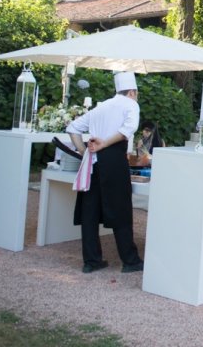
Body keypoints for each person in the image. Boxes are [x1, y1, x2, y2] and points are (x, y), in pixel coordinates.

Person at [66, 71, 145, 274]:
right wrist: (104, 144)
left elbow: (73, 128)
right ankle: (130, 260)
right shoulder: (131, 105)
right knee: (120, 208)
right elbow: (128, 130)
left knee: (90, 211)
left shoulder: (101, 107)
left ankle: (91, 261)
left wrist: (85, 152)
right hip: (114, 159)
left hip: (93, 161)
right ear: (133, 91)